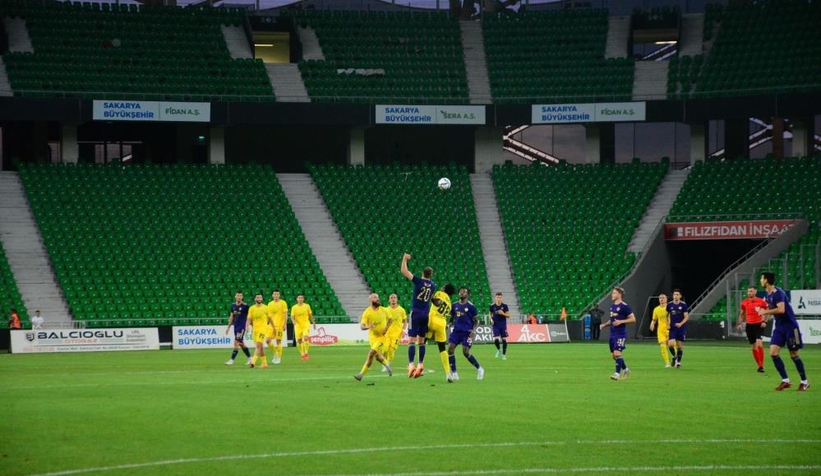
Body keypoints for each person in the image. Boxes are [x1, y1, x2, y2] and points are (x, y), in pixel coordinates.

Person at [758, 272, 809, 391]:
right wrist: (764, 320)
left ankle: (804, 382)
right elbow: (769, 308)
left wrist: (765, 312)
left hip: (791, 327)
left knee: (794, 354)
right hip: (779, 327)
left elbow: (781, 309)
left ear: (766, 280)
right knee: (773, 353)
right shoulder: (768, 294)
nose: (760, 280)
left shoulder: (778, 293)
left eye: (761, 278)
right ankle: (785, 380)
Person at [401, 253, 436, 378]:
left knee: (411, 340)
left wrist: (404, 259)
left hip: (415, 312)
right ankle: (420, 364)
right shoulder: (433, 285)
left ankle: (411, 365)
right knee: (421, 341)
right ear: (431, 275)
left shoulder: (419, 281)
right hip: (425, 314)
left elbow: (404, 271)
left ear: (422, 273)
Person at [354, 293, 393, 381]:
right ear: (370, 300)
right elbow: (362, 326)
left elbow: (391, 319)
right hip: (372, 337)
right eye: (375, 297)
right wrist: (368, 326)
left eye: (378, 297)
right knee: (377, 357)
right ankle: (387, 365)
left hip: (382, 337)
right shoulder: (367, 312)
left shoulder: (384, 310)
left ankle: (361, 375)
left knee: (371, 353)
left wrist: (386, 328)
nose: (378, 299)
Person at [599, 287, 636, 381]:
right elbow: (612, 320)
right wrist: (604, 325)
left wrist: (621, 321)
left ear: (619, 294)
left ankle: (616, 374)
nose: (612, 295)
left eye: (614, 293)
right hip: (612, 334)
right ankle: (626, 369)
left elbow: (633, 319)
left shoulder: (624, 306)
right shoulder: (612, 306)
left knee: (617, 353)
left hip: (620, 334)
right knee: (614, 356)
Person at [448, 287, 484, 381]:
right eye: (460, 291)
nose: (462, 293)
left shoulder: (471, 306)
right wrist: (448, 324)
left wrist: (473, 330)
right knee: (450, 350)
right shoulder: (454, 305)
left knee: (466, 352)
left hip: (467, 332)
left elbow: (477, 320)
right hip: (456, 331)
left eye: (464, 292)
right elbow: (452, 318)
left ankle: (480, 369)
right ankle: (454, 374)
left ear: (467, 294)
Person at [426, 283, 457, 381]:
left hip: (432, 319)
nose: (442, 287)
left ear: (444, 289)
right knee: (442, 349)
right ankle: (448, 373)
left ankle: (419, 365)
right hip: (442, 324)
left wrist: (431, 296)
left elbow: (437, 302)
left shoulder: (440, 293)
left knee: (422, 342)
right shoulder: (450, 303)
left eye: (443, 286)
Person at [736, 285, 768, 373]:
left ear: (755, 291)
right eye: (748, 291)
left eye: (751, 291)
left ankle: (761, 366)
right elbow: (742, 314)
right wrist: (739, 323)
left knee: (759, 343)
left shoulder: (761, 301)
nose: (749, 293)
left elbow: (768, 311)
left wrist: (764, 321)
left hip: (758, 325)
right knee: (753, 346)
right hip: (749, 325)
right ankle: (759, 366)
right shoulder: (744, 302)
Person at [246, 292, 274, 369]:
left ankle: (253, 362)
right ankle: (264, 363)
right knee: (260, 347)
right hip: (255, 330)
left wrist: (274, 328)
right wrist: (247, 326)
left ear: (262, 299)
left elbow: (270, 319)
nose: (259, 299)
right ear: (255, 299)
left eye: (260, 297)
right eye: (257, 297)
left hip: (263, 329)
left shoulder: (266, 308)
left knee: (258, 344)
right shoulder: (251, 308)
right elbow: (249, 319)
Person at [224, 292, 252, 366]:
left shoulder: (246, 306)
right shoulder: (233, 305)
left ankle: (231, 360)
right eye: (238, 295)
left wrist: (248, 326)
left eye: (240, 296)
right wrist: (228, 327)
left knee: (236, 342)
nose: (239, 297)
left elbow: (250, 317)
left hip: (242, 327)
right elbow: (231, 317)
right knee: (241, 343)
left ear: (242, 297)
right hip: (236, 326)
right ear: (235, 296)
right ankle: (250, 358)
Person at [382, 293, 407, 372]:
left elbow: (405, 320)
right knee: (384, 349)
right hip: (387, 334)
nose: (393, 299)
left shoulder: (401, 310)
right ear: (389, 300)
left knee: (391, 350)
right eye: (391, 298)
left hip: (397, 334)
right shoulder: (386, 310)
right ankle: (385, 362)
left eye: (394, 297)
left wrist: (404, 330)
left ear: (397, 299)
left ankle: (388, 364)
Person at [666, 289, 689, 368]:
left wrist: (681, 324)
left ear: (680, 296)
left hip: (681, 328)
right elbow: (666, 315)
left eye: (677, 294)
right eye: (674, 294)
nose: (675, 296)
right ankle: (674, 356)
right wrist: (667, 324)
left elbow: (686, 317)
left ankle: (678, 362)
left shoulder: (683, 305)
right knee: (670, 345)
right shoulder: (669, 305)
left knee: (679, 345)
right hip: (672, 328)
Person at [649, 294, 672, 368]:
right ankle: (667, 362)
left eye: (663, 298)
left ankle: (675, 359)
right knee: (663, 346)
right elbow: (654, 319)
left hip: (670, 329)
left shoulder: (670, 308)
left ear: (666, 299)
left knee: (671, 345)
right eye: (660, 298)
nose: (661, 299)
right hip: (660, 330)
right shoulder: (656, 309)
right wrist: (652, 324)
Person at [290, 293, 315, 361]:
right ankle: (302, 354)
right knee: (299, 341)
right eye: (299, 298)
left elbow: (310, 315)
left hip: (306, 324)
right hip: (298, 326)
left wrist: (313, 322)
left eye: (301, 298)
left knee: (306, 338)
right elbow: (292, 316)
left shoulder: (307, 306)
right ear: (297, 299)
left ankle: (306, 352)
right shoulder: (294, 307)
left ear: (303, 299)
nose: (300, 299)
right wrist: (293, 321)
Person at [267, 290, 288, 364]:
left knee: (278, 341)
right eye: (275, 294)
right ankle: (275, 353)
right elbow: (269, 315)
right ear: (272, 295)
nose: (276, 295)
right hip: (271, 325)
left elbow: (285, 314)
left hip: (279, 325)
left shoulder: (283, 303)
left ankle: (279, 358)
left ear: (279, 295)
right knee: (267, 340)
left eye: (277, 294)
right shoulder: (270, 304)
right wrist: (267, 323)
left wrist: (284, 324)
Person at [489, 292, 510, 359]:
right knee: (496, 339)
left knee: (504, 340)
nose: (498, 299)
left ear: (501, 298)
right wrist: (491, 319)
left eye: (500, 297)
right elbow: (490, 314)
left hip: (503, 325)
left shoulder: (505, 306)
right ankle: (499, 350)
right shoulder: (492, 306)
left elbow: (508, 315)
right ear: (495, 298)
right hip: (495, 325)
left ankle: (504, 354)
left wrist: (503, 313)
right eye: (497, 297)